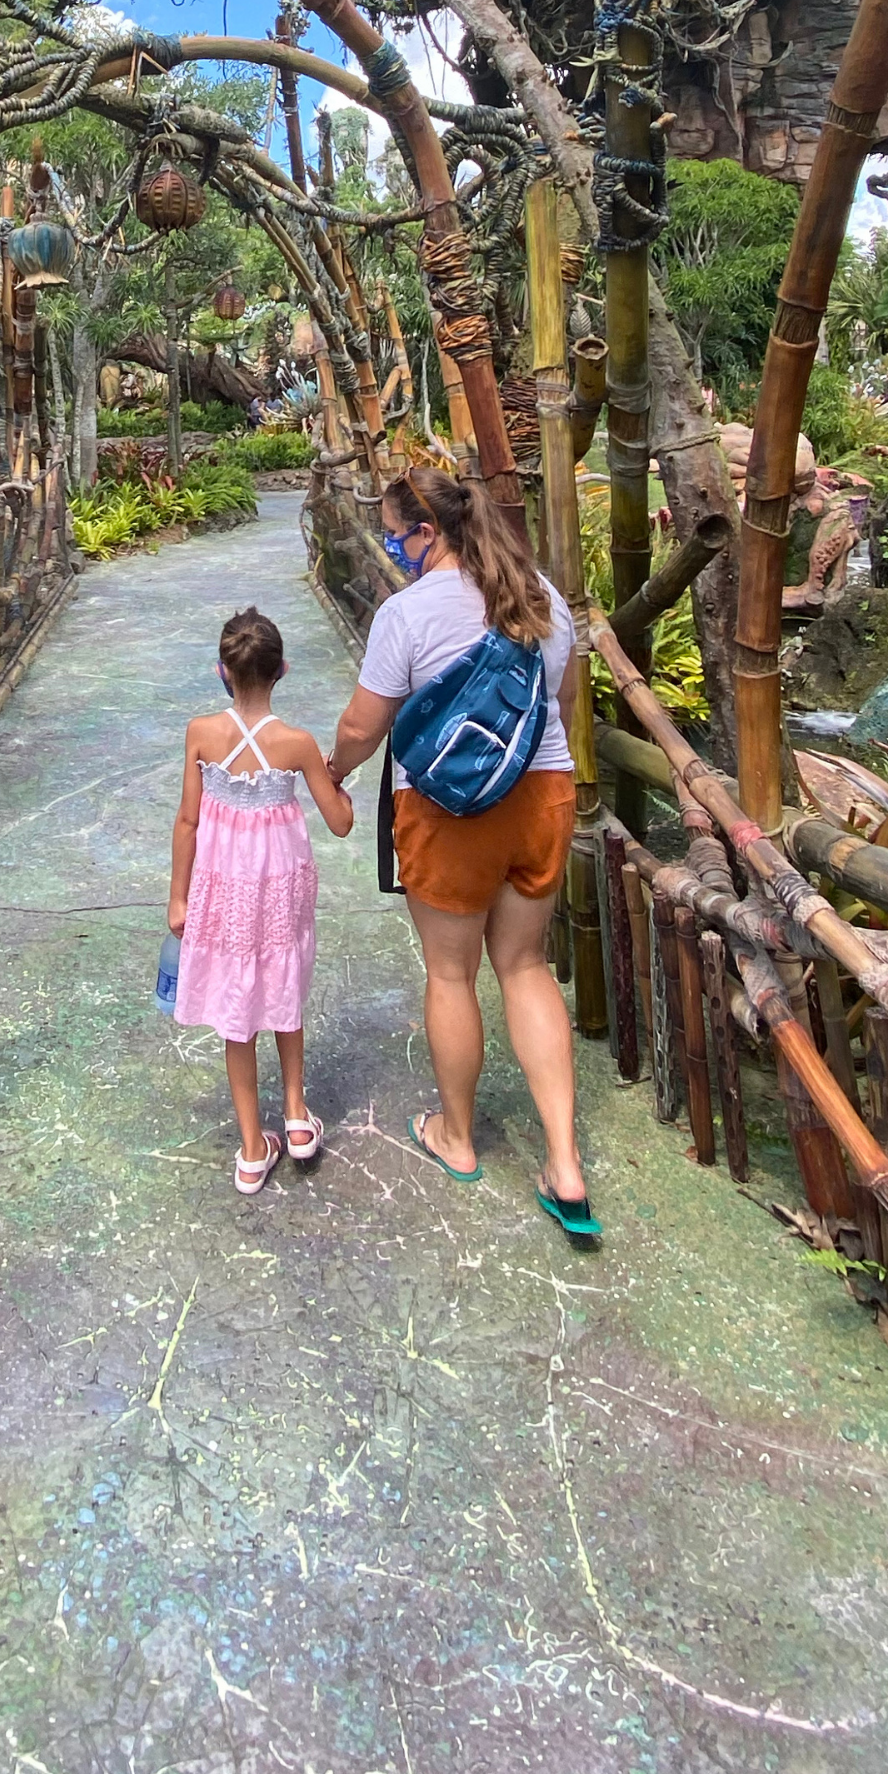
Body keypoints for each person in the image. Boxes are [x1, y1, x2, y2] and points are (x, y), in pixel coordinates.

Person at [325, 464, 599, 1244]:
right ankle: (565, 1163)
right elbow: (561, 705)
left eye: (394, 537)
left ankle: (456, 1134)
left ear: (427, 533)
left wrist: (335, 772)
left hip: (447, 810)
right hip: (541, 797)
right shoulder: (541, 597)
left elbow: (363, 725)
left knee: (451, 974)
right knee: (526, 966)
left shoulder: (408, 614)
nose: (392, 549)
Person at [166, 607, 355, 1194]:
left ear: (222, 671)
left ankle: (252, 1149)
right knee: (283, 985)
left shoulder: (201, 734)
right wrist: (340, 784)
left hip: (223, 890)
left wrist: (178, 898)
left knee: (237, 1008)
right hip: (279, 890)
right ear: (283, 670)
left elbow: (188, 820)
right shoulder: (297, 744)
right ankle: (296, 1115)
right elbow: (341, 823)